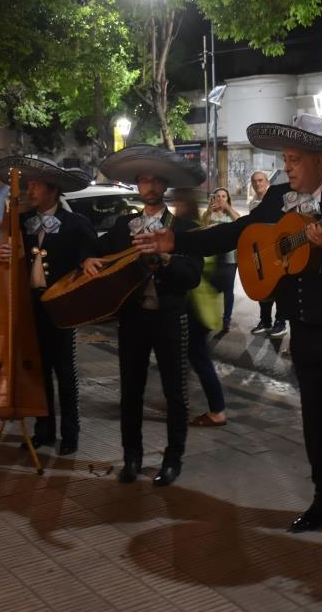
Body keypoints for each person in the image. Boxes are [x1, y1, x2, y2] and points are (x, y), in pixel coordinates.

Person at [135, 115, 322, 549]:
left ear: (320, 159)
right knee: (313, 422)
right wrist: (175, 242)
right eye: (285, 159)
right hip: (305, 330)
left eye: (294, 160)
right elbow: (235, 234)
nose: (287, 167)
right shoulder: (278, 198)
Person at [82, 145, 204, 487]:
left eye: (154, 181)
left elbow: (192, 276)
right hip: (133, 319)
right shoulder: (125, 225)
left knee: (175, 393)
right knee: (130, 391)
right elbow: (95, 248)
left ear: (163, 186)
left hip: (170, 318)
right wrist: (87, 259)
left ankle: (172, 459)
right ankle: (131, 457)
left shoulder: (184, 227)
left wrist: (166, 258)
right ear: (137, 187)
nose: (148, 187)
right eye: (142, 181)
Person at [0, 156, 96, 456]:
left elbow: (88, 260)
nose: (29, 189)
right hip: (30, 306)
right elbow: (2, 255)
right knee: (37, 371)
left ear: (52, 189)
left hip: (61, 308)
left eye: (35, 185)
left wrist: (84, 264)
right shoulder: (21, 222)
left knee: (65, 371)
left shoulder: (77, 225)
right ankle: (43, 431)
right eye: (29, 184)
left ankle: (70, 434)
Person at [171, 188, 228, 427]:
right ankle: (177, 399)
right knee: (186, 355)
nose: (174, 207)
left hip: (196, 305)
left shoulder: (191, 232)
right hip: (202, 304)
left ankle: (217, 410)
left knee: (198, 357)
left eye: (177, 202)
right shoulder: (198, 227)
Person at [248, 171, 288, 337]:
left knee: (280, 286)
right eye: (254, 181)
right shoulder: (252, 203)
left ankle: (280, 321)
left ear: (267, 181)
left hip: (278, 249)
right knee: (262, 285)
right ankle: (265, 321)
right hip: (261, 249)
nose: (258, 184)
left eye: (260, 180)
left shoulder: (278, 199)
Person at [202, 187, 240, 331]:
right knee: (210, 288)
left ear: (228, 199)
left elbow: (241, 222)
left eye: (224, 196)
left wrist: (227, 208)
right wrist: (210, 212)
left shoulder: (231, 214)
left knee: (228, 291)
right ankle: (209, 316)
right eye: (218, 196)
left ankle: (226, 319)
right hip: (211, 258)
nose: (220, 199)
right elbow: (202, 230)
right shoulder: (208, 214)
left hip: (230, 258)